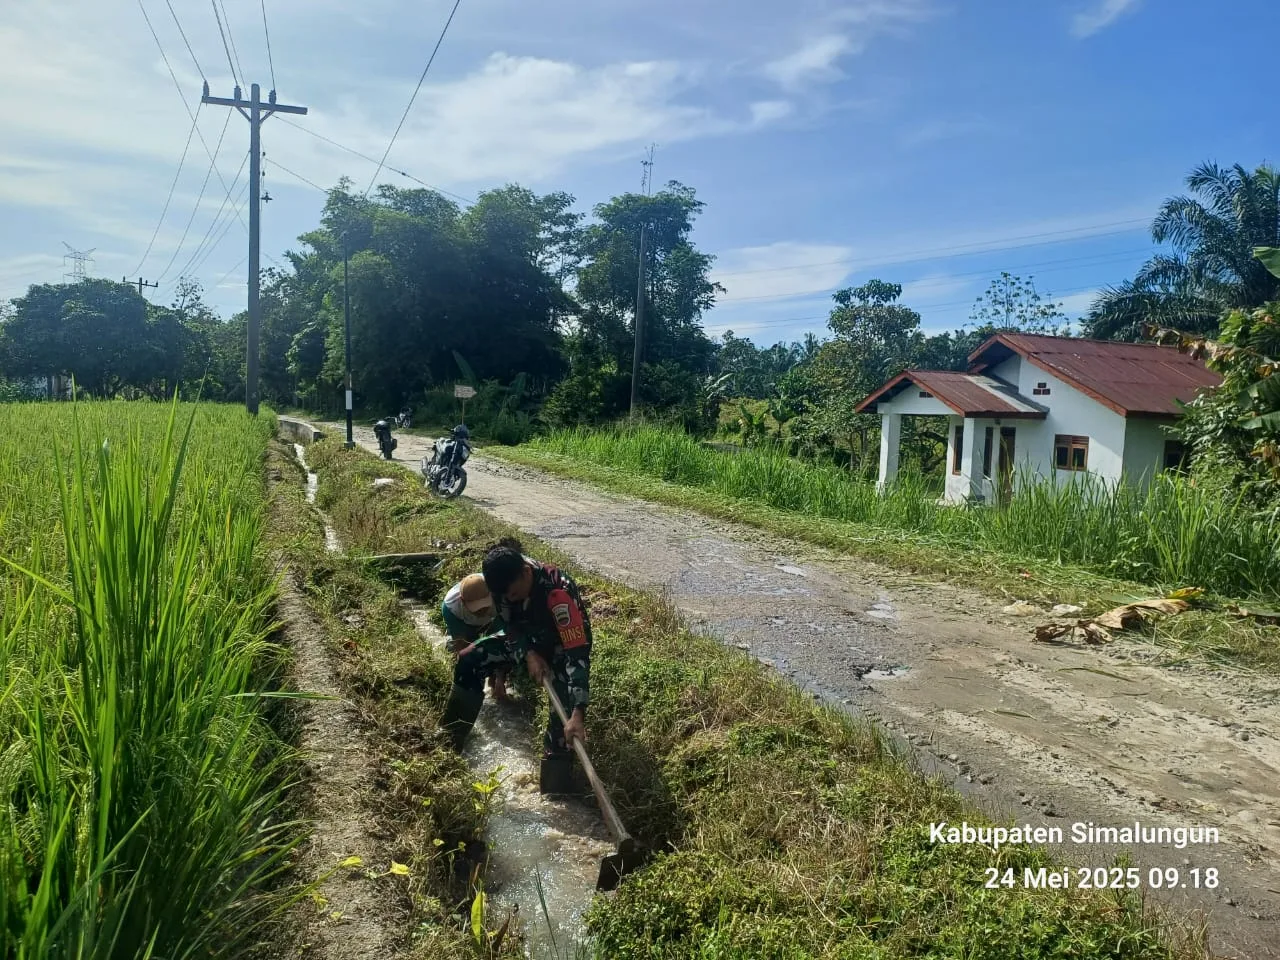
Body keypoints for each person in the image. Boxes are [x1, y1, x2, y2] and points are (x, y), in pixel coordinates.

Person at [481, 540, 592, 764]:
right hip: (526, 640)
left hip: (562, 643)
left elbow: (577, 654)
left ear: (526, 572)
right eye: (505, 596)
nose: (510, 599)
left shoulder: (558, 591)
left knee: (563, 717)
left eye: (513, 594)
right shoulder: (501, 588)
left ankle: (557, 782)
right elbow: (509, 626)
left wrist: (579, 713)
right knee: (471, 658)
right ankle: (454, 736)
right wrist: (529, 653)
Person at [438, 573, 516, 750]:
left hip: (495, 620)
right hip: (466, 625)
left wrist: (499, 677)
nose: (481, 611)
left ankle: (497, 685)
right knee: (469, 656)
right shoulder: (451, 609)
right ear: (463, 601)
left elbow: (502, 642)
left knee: (496, 651)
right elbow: (463, 647)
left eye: (483, 607)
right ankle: (458, 725)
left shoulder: (500, 597)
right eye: (476, 608)